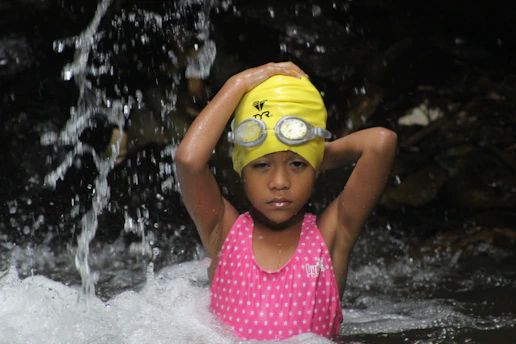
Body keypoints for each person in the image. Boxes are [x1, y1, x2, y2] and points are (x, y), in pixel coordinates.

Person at [175, 62, 397, 340]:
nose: (279, 182)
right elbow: (188, 160)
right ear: (242, 170)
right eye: (262, 166)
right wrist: (238, 84)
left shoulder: (331, 238)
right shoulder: (223, 231)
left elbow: (381, 143)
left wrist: (313, 152)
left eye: (296, 165)